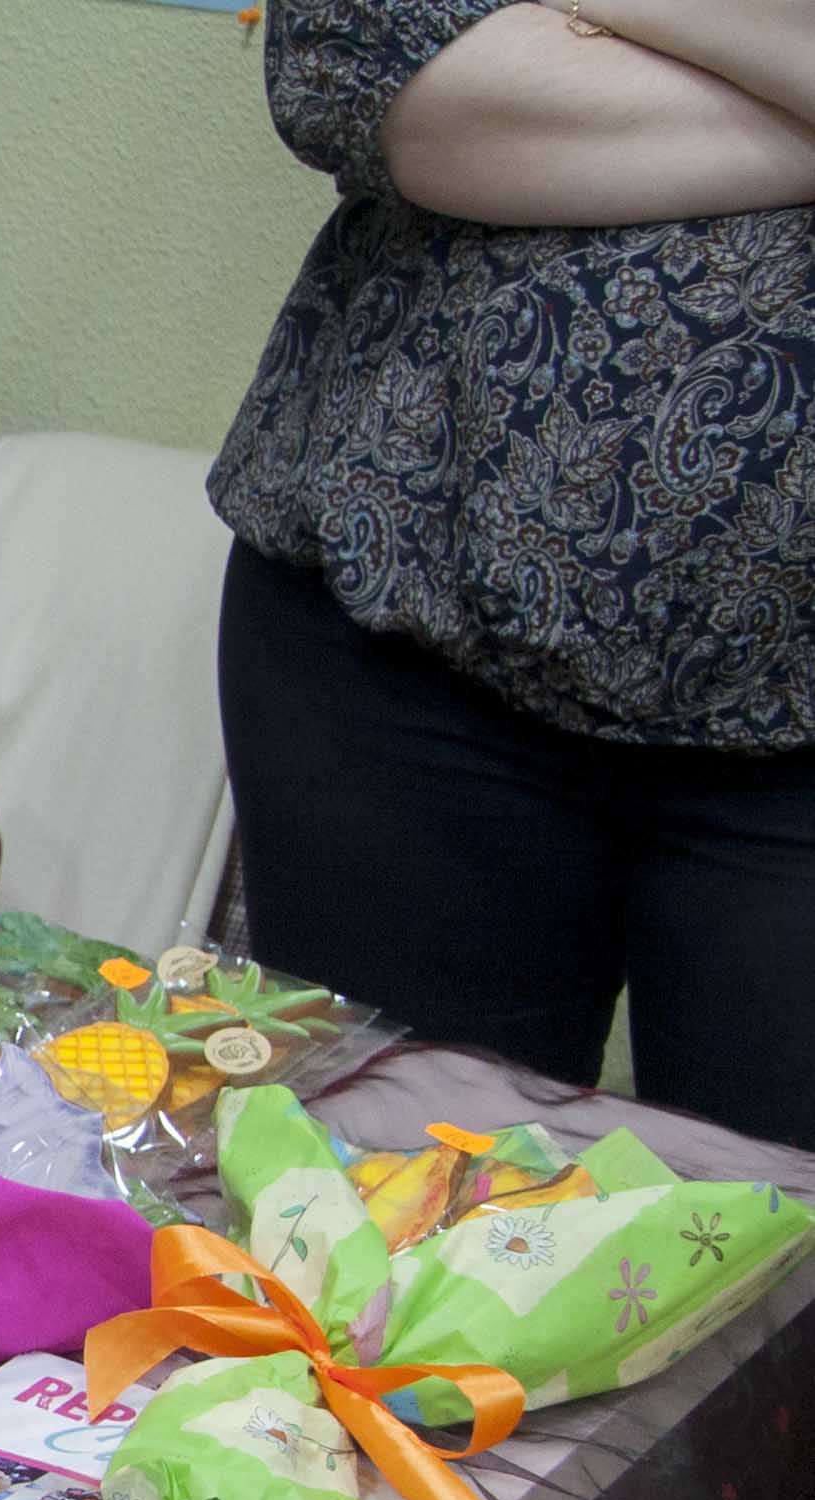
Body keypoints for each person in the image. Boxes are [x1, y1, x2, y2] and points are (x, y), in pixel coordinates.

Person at [212, 0, 815, 1154]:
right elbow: (360, 65)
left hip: (799, 715)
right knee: (363, 1218)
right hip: (403, 641)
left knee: (779, 1251)